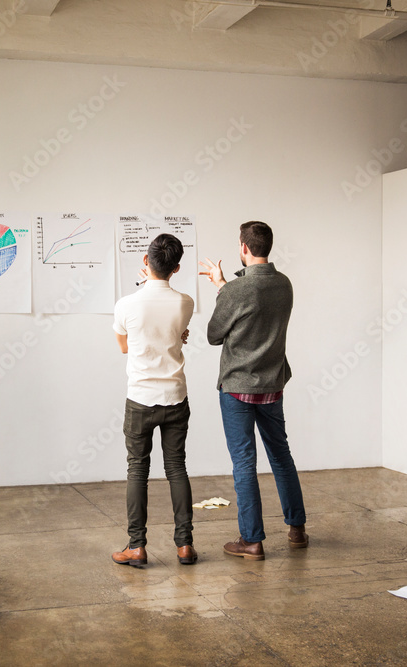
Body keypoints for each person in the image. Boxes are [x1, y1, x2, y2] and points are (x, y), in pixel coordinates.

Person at [198, 221, 307, 561]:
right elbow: (255, 311)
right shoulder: (284, 284)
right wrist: (225, 286)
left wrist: (222, 288)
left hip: (237, 389)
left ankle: (252, 540)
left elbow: (215, 334)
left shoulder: (236, 290)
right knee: (281, 456)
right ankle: (297, 529)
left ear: (244, 248)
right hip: (272, 385)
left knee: (244, 463)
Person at [111, 233, 196, 567]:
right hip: (175, 396)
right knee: (177, 468)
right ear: (176, 268)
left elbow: (123, 346)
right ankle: (185, 545)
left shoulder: (126, 304)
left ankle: (137, 546)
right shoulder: (185, 302)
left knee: (137, 470)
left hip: (141, 398)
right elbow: (177, 335)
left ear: (145, 261)